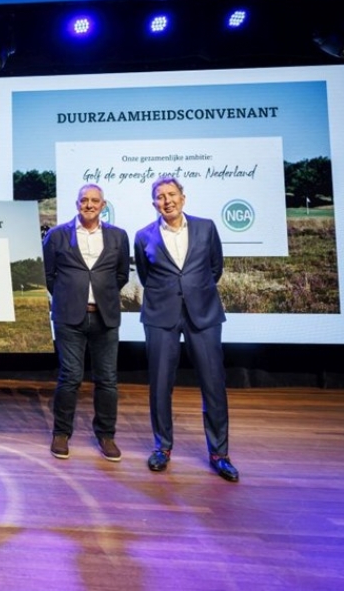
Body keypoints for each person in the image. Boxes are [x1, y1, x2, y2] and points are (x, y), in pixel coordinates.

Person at [133, 175, 239, 482]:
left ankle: (219, 454)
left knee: (213, 386)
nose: (167, 200)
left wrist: (195, 292)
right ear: (154, 203)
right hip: (160, 317)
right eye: (160, 196)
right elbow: (144, 272)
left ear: (183, 197)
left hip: (203, 315)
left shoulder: (206, 227)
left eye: (172, 194)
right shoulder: (143, 236)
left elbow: (215, 267)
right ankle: (162, 448)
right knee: (160, 385)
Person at [42, 184, 130, 461]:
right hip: (69, 318)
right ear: (77, 203)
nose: (89, 204)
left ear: (103, 205)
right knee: (70, 377)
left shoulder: (118, 236)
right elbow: (48, 275)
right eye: (84, 200)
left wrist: (99, 296)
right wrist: (71, 296)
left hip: (105, 316)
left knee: (107, 380)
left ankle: (106, 436)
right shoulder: (57, 235)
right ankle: (61, 432)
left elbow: (121, 275)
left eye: (95, 200)